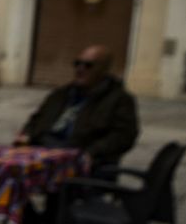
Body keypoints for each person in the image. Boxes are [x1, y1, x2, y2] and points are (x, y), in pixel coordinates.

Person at [14, 45, 139, 173]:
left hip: (79, 154)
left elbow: (123, 136)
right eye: (77, 64)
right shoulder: (61, 94)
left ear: (103, 69)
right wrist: (27, 133)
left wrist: (92, 152)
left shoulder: (118, 99)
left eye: (88, 65)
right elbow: (37, 119)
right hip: (44, 149)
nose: (80, 69)